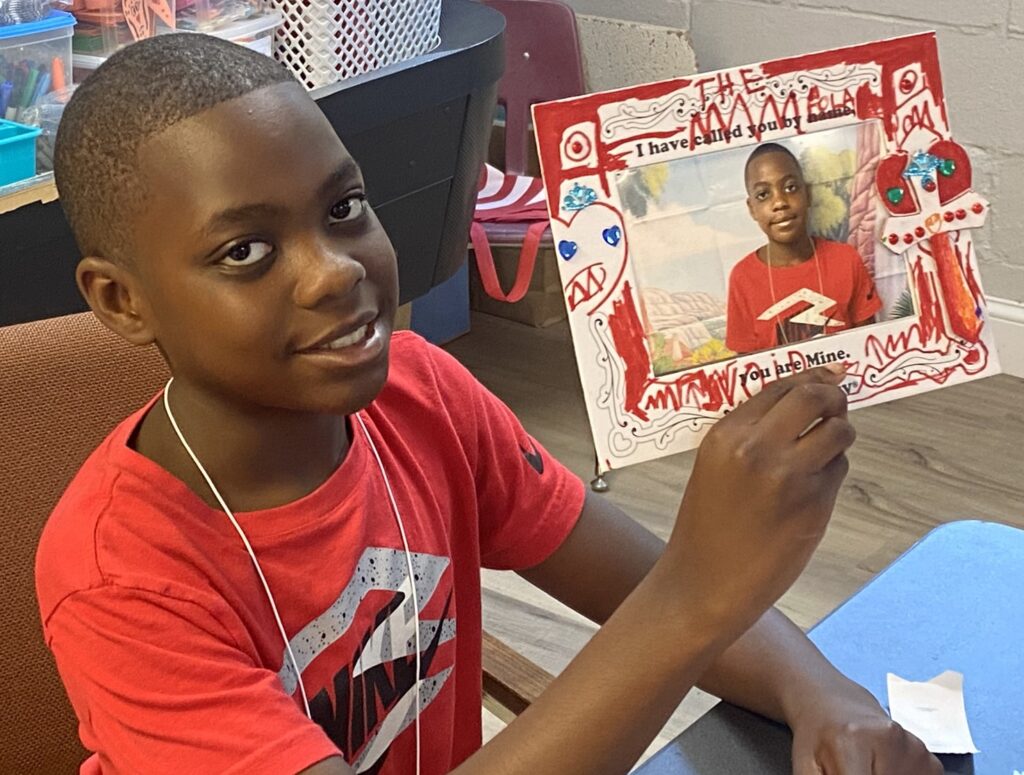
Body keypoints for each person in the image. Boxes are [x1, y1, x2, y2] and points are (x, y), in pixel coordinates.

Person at [35, 35, 941, 775]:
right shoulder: (123, 580)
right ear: (122, 300)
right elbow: (675, 595)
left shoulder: (421, 393)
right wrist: (697, 593)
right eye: (246, 252)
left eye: (344, 207)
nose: (335, 271)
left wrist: (825, 696)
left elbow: (631, 575)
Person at [726, 142, 882, 355]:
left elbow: (869, 345)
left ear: (807, 194)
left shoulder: (845, 259)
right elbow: (747, 364)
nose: (779, 202)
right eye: (763, 194)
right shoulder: (743, 277)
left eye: (790, 188)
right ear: (752, 209)